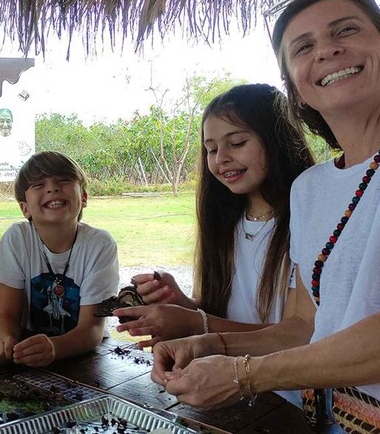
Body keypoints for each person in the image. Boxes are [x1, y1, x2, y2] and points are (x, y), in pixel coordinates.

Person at [150, 0, 380, 432]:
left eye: (346, 30)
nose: (327, 50)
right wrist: (212, 344)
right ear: (296, 89)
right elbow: (301, 328)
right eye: (303, 47)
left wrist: (245, 375)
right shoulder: (311, 189)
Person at [116, 84, 314, 348]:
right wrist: (179, 302)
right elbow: (221, 317)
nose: (221, 158)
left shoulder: (309, 222)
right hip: (224, 382)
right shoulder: (224, 224)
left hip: (284, 386)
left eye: (237, 143)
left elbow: (296, 336)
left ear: (278, 140)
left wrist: (194, 323)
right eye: (211, 149)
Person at [0, 151, 119, 367]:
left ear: (84, 197)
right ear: (25, 208)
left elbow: (92, 329)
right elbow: (7, 314)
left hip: (84, 356)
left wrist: (55, 347)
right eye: (39, 185)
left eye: (64, 181)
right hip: (27, 352)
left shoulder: (100, 245)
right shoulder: (17, 238)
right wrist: (5, 342)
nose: (52, 188)